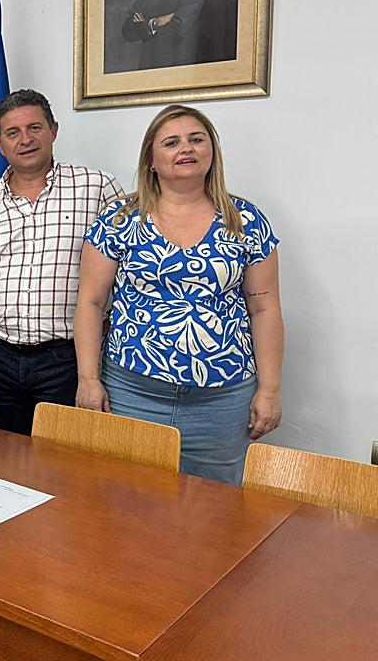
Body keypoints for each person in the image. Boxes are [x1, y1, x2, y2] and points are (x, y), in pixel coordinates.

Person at [73, 104, 283, 485]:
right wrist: (88, 380)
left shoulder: (246, 219)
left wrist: (269, 390)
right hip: (132, 392)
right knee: (127, 504)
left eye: (196, 139)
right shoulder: (120, 218)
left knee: (212, 513)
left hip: (222, 401)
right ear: (152, 159)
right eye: (171, 142)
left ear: (211, 151)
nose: (185, 148)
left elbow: (265, 308)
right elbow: (89, 303)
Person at [0, 89, 125, 435]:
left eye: (34, 128)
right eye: (13, 133)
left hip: (69, 360)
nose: (25, 140)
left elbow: (126, 272)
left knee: (65, 464)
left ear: (53, 130)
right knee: (0, 457)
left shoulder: (96, 187)